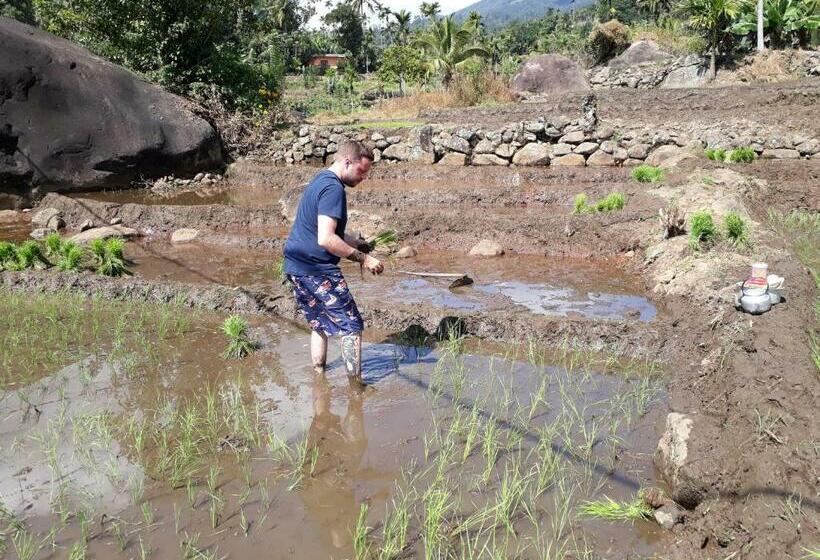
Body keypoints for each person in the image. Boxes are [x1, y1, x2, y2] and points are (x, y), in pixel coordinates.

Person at [283, 140, 384, 387]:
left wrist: (359, 244)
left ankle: (319, 377)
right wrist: (364, 258)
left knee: (318, 323)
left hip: (296, 267)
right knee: (351, 326)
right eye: (362, 171)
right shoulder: (334, 190)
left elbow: (328, 230)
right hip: (317, 270)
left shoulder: (321, 180)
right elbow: (326, 239)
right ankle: (355, 387)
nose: (363, 178)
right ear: (347, 162)